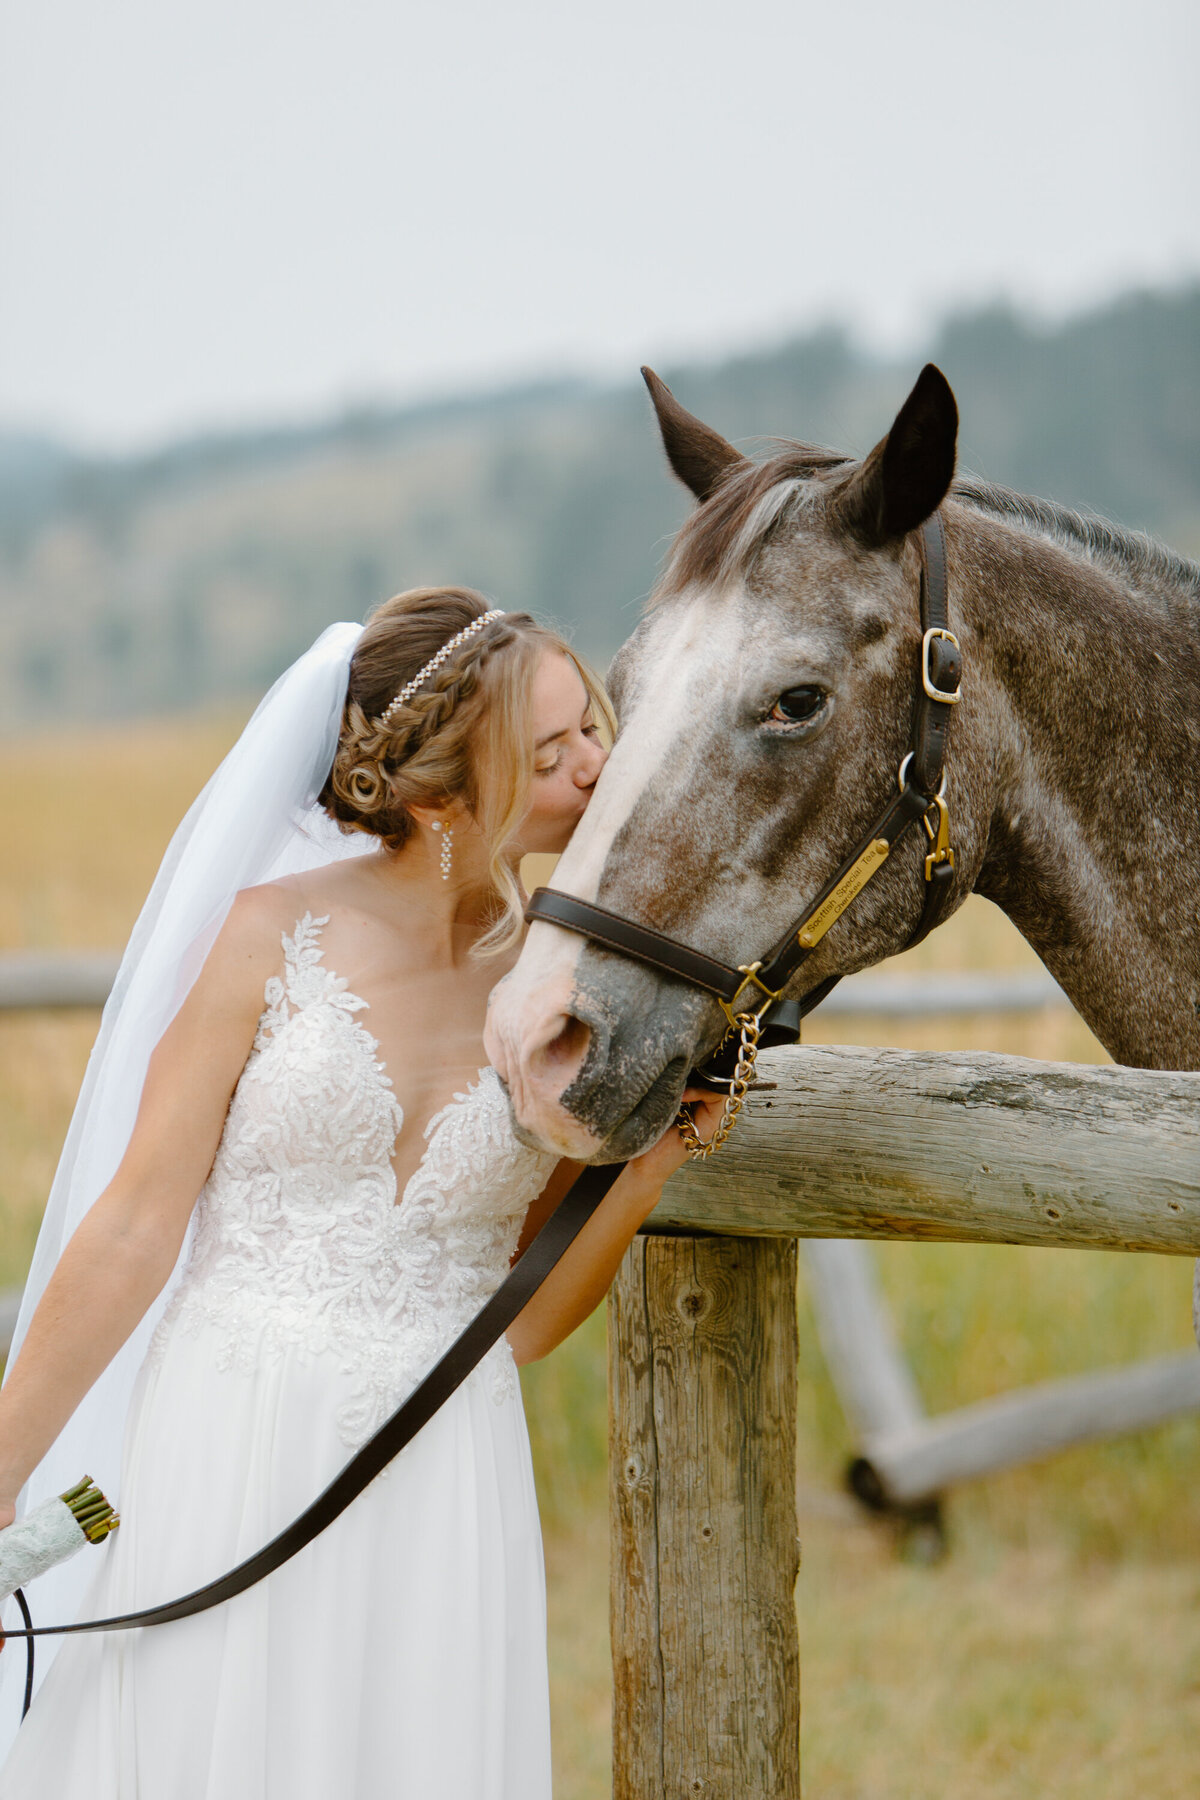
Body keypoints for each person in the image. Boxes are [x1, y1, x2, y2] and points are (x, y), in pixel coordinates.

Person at [0, 590, 720, 1797]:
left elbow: (527, 1320)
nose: (601, 765)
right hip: (229, 1439)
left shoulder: (562, 987)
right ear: (444, 792)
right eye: (553, 753)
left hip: (443, 1470)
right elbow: (132, 1225)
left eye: (591, 727)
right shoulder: (268, 935)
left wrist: (647, 1165)